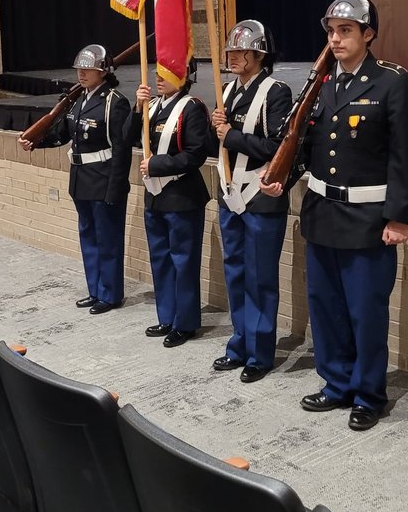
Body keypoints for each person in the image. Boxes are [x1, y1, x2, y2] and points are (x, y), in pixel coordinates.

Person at [262, 0, 408, 429]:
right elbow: (307, 147)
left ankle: (368, 394)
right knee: (326, 307)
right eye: (331, 31)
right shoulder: (323, 86)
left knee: (365, 312)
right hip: (321, 213)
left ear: (368, 35)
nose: (336, 39)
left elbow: (405, 157)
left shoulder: (392, 82)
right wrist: (285, 178)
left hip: (369, 220)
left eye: (346, 30)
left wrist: (398, 217)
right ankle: (336, 384)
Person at [206, 20, 292, 383]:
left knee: (260, 277)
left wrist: (232, 135)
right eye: (231, 51)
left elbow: (276, 148)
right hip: (230, 194)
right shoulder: (226, 91)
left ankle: (260, 353)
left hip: (260, 195)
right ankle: (239, 342)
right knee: (236, 273)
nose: (232, 56)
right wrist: (218, 129)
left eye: (240, 51)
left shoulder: (276, 92)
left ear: (259, 55)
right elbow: (222, 144)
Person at [19, 44, 131, 314]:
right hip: (81, 179)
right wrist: (36, 142)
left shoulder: (115, 102)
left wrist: (116, 188)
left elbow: (121, 150)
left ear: (102, 71)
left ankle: (110, 294)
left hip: (104, 179)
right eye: (79, 69)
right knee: (89, 239)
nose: (81, 73)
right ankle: (95, 290)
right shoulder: (80, 100)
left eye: (88, 69)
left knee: (107, 240)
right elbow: (63, 134)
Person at [124, 65, 210, 347]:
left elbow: (196, 154)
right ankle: (167, 316)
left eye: (166, 73)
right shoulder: (153, 107)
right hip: (156, 197)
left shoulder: (191, 108)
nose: (158, 79)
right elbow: (127, 137)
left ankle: (185, 323)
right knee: (160, 259)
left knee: (183, 262)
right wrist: (137, 107)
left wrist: (157, 165)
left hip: (182, 196)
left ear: (184, 77)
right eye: (157, 73)